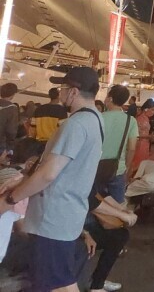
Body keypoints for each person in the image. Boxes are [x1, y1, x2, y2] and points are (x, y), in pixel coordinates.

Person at [0, 67, 104, 292]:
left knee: (54, 284)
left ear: (74, 92)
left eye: (63, 88)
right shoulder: (95, 119)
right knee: (62, 282)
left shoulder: (75, 125)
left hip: (52, 217)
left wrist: (12, 197)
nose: (61, 92)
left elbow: (49, 173)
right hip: (68, 213)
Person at [83, 184, 138, 292]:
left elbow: (100, 193)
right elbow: (92, 202)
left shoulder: (92, 174)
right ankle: (95, 285)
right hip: (73, 228)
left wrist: (122, 210)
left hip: (84, 224)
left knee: (119, 235)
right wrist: (122, 214)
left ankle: (97, 283)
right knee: (117, 236)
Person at [99, 85, 137, 203]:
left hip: (96, 168)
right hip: (118, 169)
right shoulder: (131, 121)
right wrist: (127, 167)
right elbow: (131, 148)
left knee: (95, 205)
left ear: (110, 99)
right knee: (116, 207)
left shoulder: (99, 117)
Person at [130, 101, 154, 177]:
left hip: (145, 143)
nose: (153, 112)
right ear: (146, 109)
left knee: (143, 162)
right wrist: (148, 137)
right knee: (138, 162)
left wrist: (150, 136)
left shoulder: (146, 118)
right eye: (152, 109)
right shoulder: (140, 118)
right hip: (140, 144)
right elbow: (136, 134)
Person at [0, 83, 18, 152]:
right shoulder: (12, 108)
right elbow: (11, 130)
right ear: (12, 95)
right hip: (2, 142)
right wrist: (10, 146)